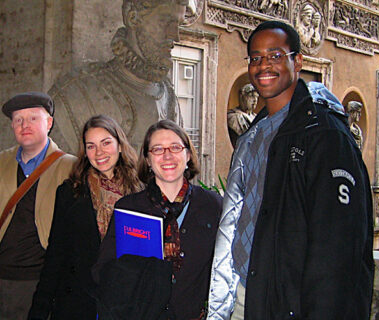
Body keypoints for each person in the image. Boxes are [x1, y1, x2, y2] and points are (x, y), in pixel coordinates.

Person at [207, 20, 374, 319]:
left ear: (297, 61)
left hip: (290, 302)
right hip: (245, 292)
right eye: (255, 58)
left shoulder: (324, 134)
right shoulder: (253, 135)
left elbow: (339, 246)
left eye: (275, 55)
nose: (263, 65)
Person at [94, 120, 223, 320]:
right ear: (147, 160)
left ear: (188, 155)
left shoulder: (212, 205)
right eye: (157, 149)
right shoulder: (129, 208)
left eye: (175, 147)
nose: (167, 156)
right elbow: (103, 271)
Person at [0, 92, 78, 320]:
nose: (24, 125)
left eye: (33, 118)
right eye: (18, 120)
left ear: (49, 123)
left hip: (40, 283)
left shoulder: (69, 167)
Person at [27, 115, 144, 320]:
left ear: (119, 145)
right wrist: (39, 310)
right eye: (91, 146)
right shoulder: (70, 192)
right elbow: (56, 254)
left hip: (127, 302)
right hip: (78, 302)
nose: (99, 152)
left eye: (106, 143)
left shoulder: (140, 192)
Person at [48, 0, 187, 152]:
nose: (175, 36)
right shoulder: (77, 93)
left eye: (178, 25)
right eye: (165, 21)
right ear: (132, 18)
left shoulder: (168, 96)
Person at [226, 84, 258, 149]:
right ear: (242, 97)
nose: (255, 100)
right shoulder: (233, 117)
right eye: (251, 96)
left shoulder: (257, 117)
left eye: (256, 96)